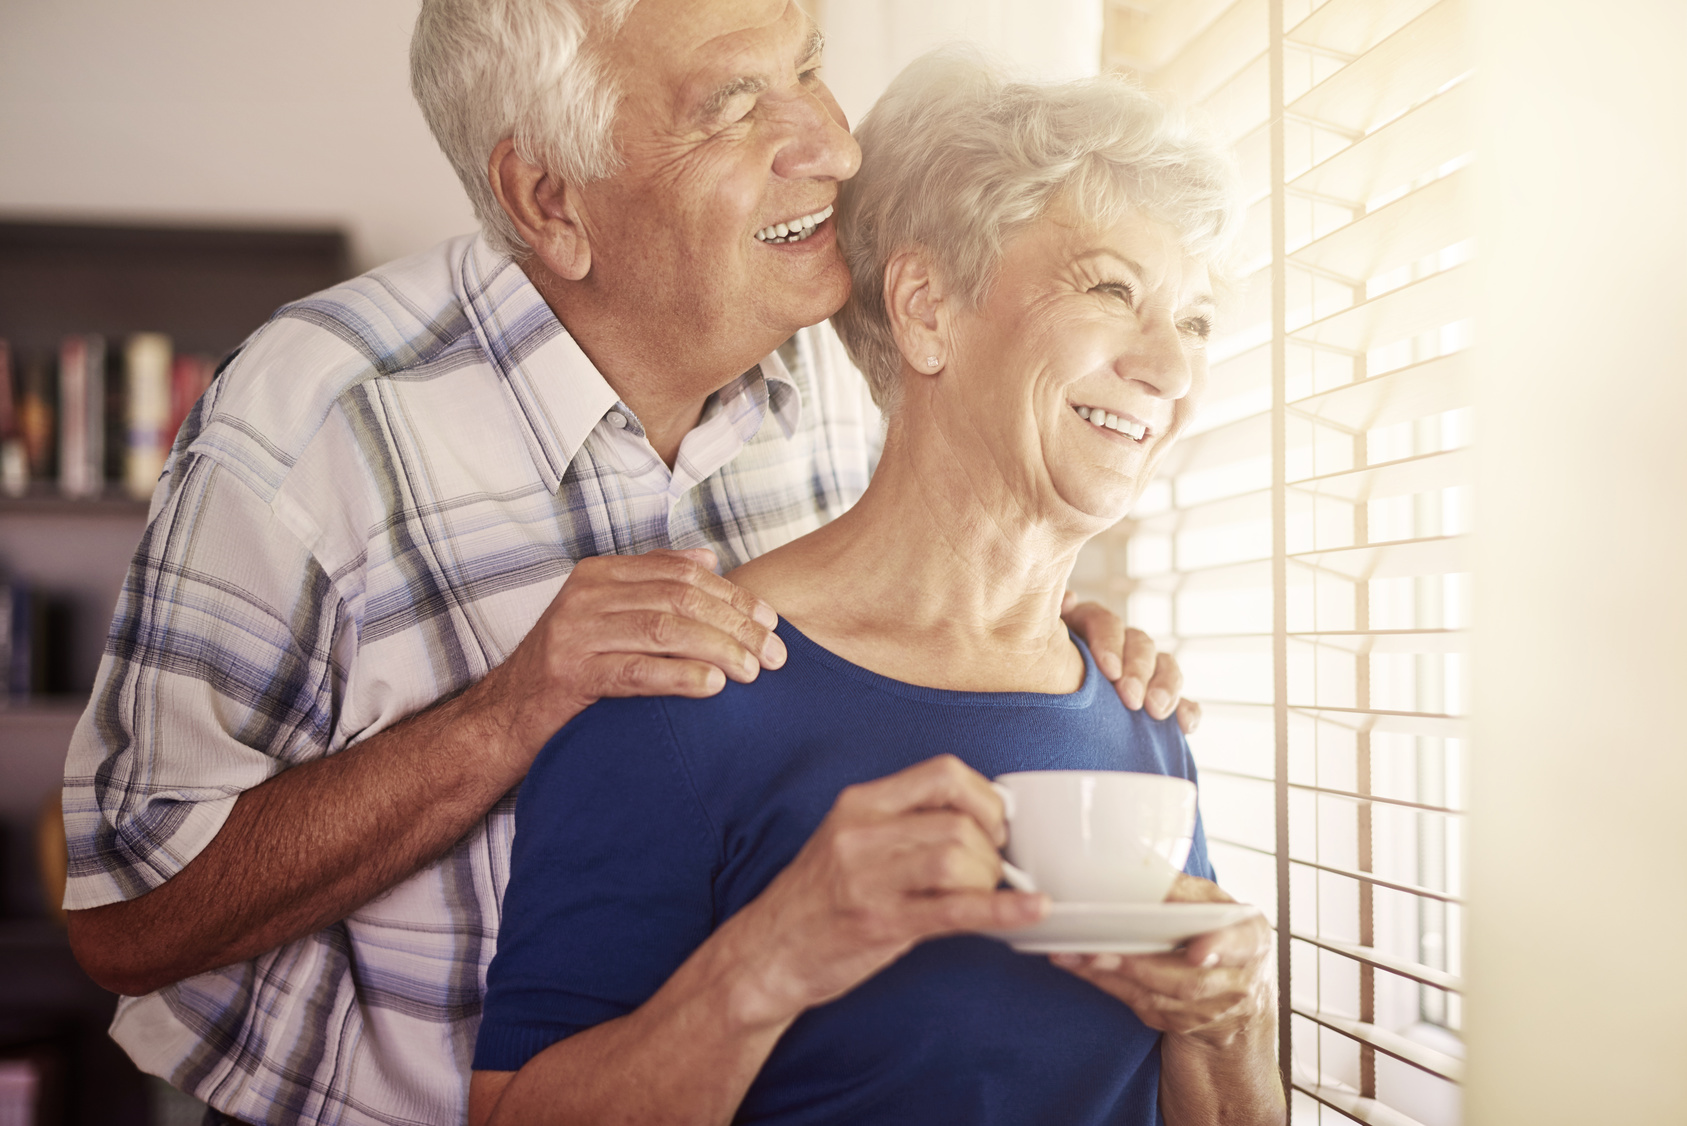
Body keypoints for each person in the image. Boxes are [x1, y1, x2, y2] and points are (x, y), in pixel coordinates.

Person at [58, 2, 1193, 1124]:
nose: (833, 145)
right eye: (736, 103)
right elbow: (127, 918)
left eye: (806, 69)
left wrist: (1029, 643)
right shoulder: (313, 425)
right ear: (548, 197)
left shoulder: (827, 392)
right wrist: (509, 711)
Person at [469, 51, 1282, 1126]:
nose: (1171, 372)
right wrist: (771, 957)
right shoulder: (685, 693)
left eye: (1194, 322)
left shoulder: (1139, 719)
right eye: (1110, 289)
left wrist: (1229, 1023)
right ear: (926, 309)